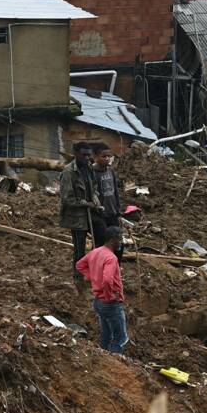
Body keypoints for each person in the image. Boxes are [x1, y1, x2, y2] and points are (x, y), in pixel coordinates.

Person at [75, 225, 128, 353]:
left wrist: (92, 277)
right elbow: (108, 280)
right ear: (112, 240)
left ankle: (102, 357)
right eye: (120, 239)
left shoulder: (96, 251)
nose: (121, 242)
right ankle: (115, 361)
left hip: (98, 301)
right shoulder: (111, 258)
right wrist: (109, 296)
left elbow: (79, 265)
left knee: (106, 334)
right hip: (110, 303)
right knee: (120, 338)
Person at [60, 142, 100, 279]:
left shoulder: (89, 167)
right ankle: (78, 276)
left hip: (92, 213)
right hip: (77, 217)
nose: (87, 158)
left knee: (100, 241)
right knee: (79, 249)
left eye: (89, 155)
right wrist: (85, 204)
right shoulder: (68, 172)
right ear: (76, 154)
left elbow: (94, 187)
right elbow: (67, 198)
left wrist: (95, 198)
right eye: (84, 155)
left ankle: (95, 270)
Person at [90, 143, 123, 261]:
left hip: (112, 212)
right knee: (101, 242)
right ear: (95, 156)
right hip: (99, 214)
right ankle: (97, 264)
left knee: (117, 241)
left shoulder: (110, 170)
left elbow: (115, 192)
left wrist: (118, 211)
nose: (107, 159)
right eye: (103, 156)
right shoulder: (91, 172)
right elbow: (91, 194)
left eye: (109, 156)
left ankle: (115, 265)